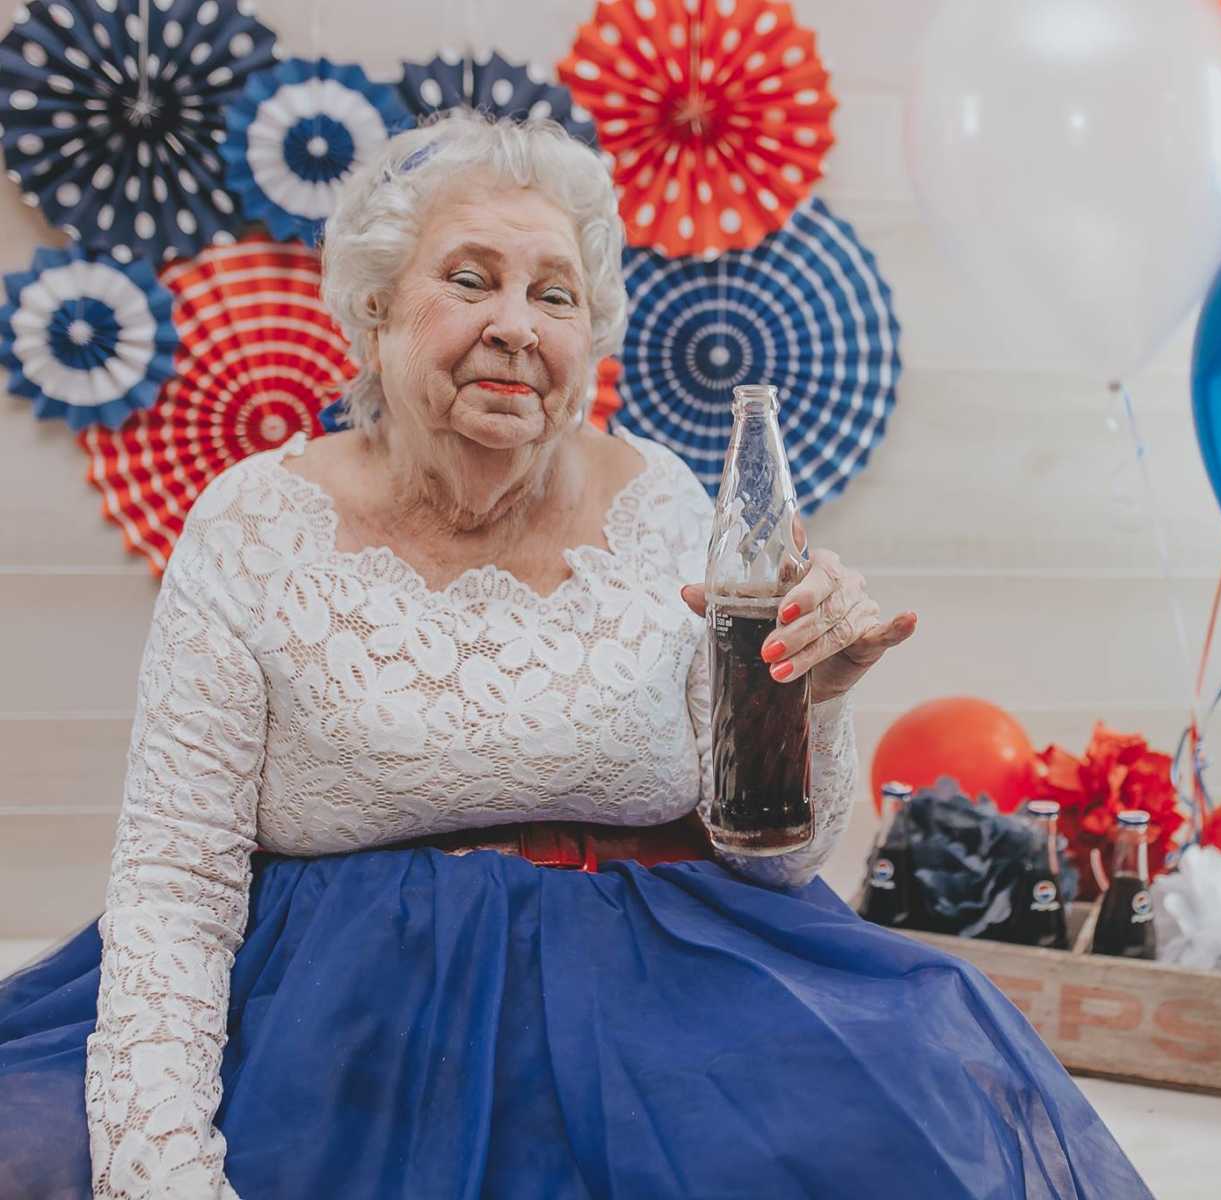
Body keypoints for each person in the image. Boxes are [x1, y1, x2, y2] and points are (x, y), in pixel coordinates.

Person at [0, 111, 1152, 1199]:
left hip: (662, 1007)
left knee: (932, 1098)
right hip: (344, 1027)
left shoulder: (662, 498)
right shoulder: (252, 520)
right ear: (372, 312)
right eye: (469, 279)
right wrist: (165, 1173)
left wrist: (812, 704)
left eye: (555, 294)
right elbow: (174, 887)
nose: (517, 323)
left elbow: (772, 861)